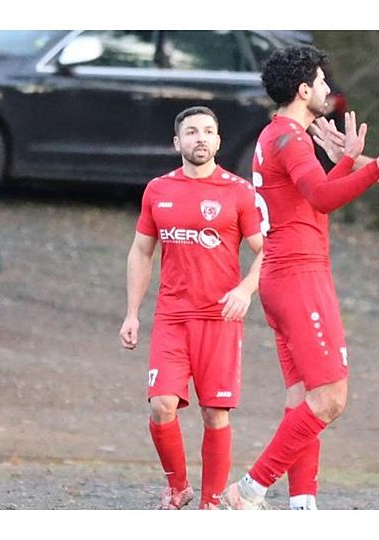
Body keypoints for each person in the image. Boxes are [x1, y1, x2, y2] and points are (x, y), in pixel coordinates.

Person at [219, 45, 379, 510]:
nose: (330, 89)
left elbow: (311, 194)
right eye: (323, 82)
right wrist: (377, 168)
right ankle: (249, 489)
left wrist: (348, 160)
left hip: (285, 278)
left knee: (304, 401)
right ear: (304, 90)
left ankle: (302, 507)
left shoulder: (280, 136)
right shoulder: (289, 138)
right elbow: (323, 199)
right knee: (330, 398)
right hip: (297, 277)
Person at [119, 106, 264, 510]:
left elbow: (268, 252)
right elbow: (141, 251)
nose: (200, 138)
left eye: (208, 131)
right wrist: (132, 313)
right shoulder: (158, 190)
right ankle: (177, 486)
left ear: (218, 141)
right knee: (161, 405)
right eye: (191, 132)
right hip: (172, 318)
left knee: (215, 414)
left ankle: (211, 504)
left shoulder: (237, 191)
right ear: (177, 142)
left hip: (219, 319)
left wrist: (246, 290)